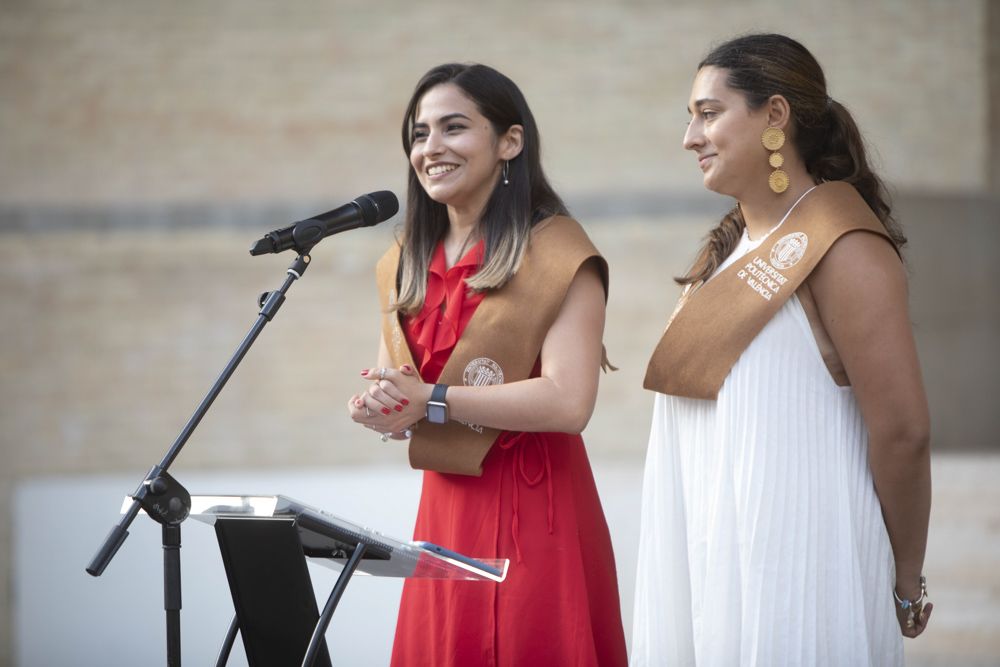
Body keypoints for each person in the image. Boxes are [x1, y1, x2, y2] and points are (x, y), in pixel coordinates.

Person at [631, 34, 932, 666]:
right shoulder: (729, 252)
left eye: (708, 113)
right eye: (691, 117)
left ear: (774, 116)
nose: (690, 137)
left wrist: (905, 580)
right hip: (712, 569)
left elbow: (902, 431)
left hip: (799, 588)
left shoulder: (844, 247)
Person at [346, 63, 627, 666]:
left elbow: (569, 401)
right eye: (419, 134)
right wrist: (380, 407)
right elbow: (402, 394)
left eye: (453, 128)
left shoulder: (558, 251)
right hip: (446, 503)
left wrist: (433, 401)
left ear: (510, 141)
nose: (431, 148)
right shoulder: (407, 258)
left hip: (535, 507)